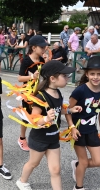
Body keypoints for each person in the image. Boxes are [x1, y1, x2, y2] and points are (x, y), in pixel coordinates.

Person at [16, 60, 80, 190]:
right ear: (52, 78)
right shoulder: (41, 96)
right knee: (33, 163)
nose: (67, 78)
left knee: (56, 169)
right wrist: (45, 118)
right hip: (39, 138)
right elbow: (34, 119)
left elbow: (57, 110)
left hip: (53, 137)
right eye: (64, 76)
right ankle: (22, 181)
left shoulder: (58, 93)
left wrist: (69, 110)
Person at [66, 56, 100, 190]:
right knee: (84, 161)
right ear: (87, 74)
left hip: (91, 131)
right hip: (77, 131)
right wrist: (72, 127)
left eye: (99, 74)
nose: (95, 77)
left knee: (99, 161)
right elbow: (68, 110)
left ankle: (77, 165)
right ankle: (78, 187)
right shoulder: (80, 91)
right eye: (92, 74)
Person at [17, 35, 47, 151]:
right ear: (34, 48)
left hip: (39, 92)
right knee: (26, 116)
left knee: (39, 114)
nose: (44, 49)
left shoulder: (41, 60)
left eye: (45, 47)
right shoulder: (26, 60)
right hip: (27, 93)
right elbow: (19, 78)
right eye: (42, 47)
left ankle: (38, 138)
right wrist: (31, 76)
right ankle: (22, 138)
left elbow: (44, 75)